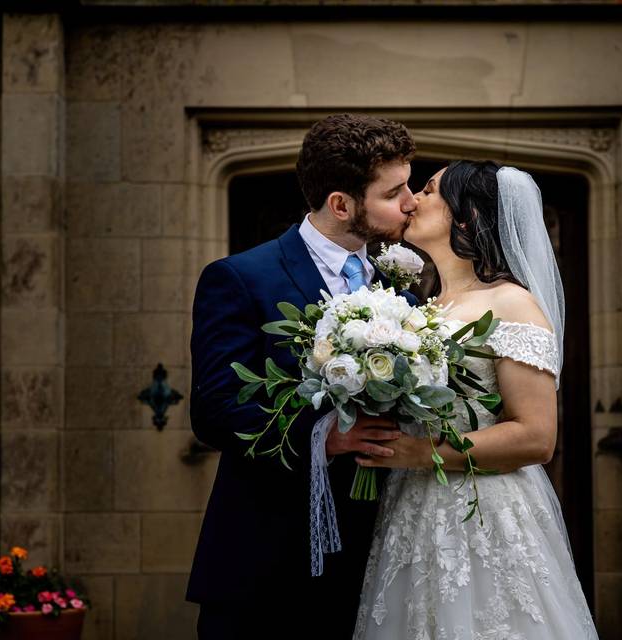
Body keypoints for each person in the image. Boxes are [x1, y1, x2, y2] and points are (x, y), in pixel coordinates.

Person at [187, 114, 419, 638]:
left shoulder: (402, 289)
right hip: (266, 565)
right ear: (341, 204)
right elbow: (215, 413)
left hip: (374, 564)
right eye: (394, 191)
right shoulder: (240, 278)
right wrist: (324, 437)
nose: (411, 202)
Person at [353, 161, 599, 639]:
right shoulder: (420, 305)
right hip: (412, 508)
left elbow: (535, 437)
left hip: (481, 512)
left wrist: (418, 453)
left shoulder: (511, 303)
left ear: (464, 217)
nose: (412, 200)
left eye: (427, 190)